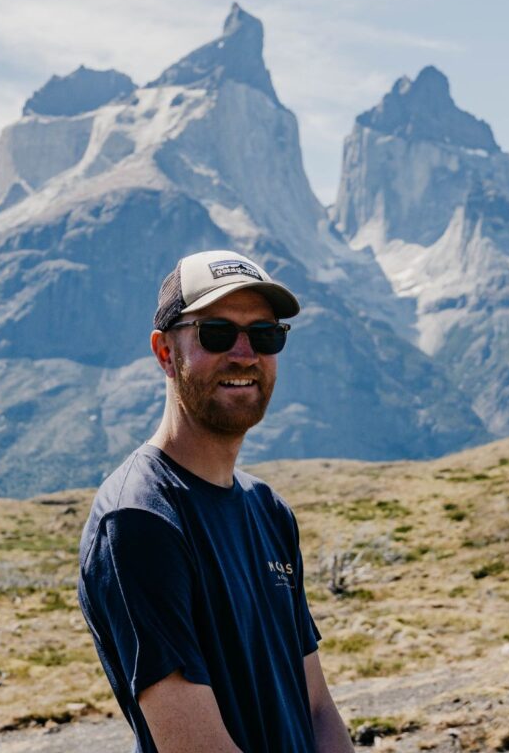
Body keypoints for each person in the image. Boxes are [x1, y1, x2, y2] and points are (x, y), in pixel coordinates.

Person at [78, 250, 354, 753]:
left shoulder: (269, 510)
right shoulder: (138, 520)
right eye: (217, 333)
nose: (245, 354)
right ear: (165, 352)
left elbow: (316, 708)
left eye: (266, 335)